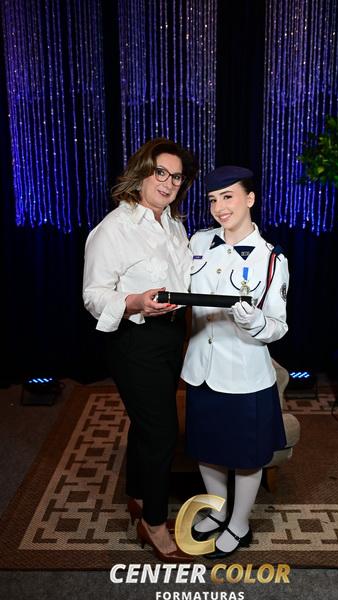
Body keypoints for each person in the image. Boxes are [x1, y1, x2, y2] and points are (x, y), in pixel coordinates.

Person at [82, 137, 198, 563]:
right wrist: (134, 302)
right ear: (143, 173)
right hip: (135, 339)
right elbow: (93, 294)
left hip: (170, 335)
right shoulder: (114, 228)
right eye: (161, 172)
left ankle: (135, 494)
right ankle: (154, 523)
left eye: (177, 177)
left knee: (148, 424)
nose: (169, 183)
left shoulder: (175, 225)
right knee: (162, 431)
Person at [181, 165, 289, 558]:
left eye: (228, 197)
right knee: (207, 449)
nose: (219, 207)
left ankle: (239, 523)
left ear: (250, 199)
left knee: (246, 458)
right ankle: (218, 510)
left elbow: (278, 326)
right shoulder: (198, 241)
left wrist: (255, 321)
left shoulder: (271, 258)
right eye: (213, 199)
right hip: (200, 368)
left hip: (244, 375)